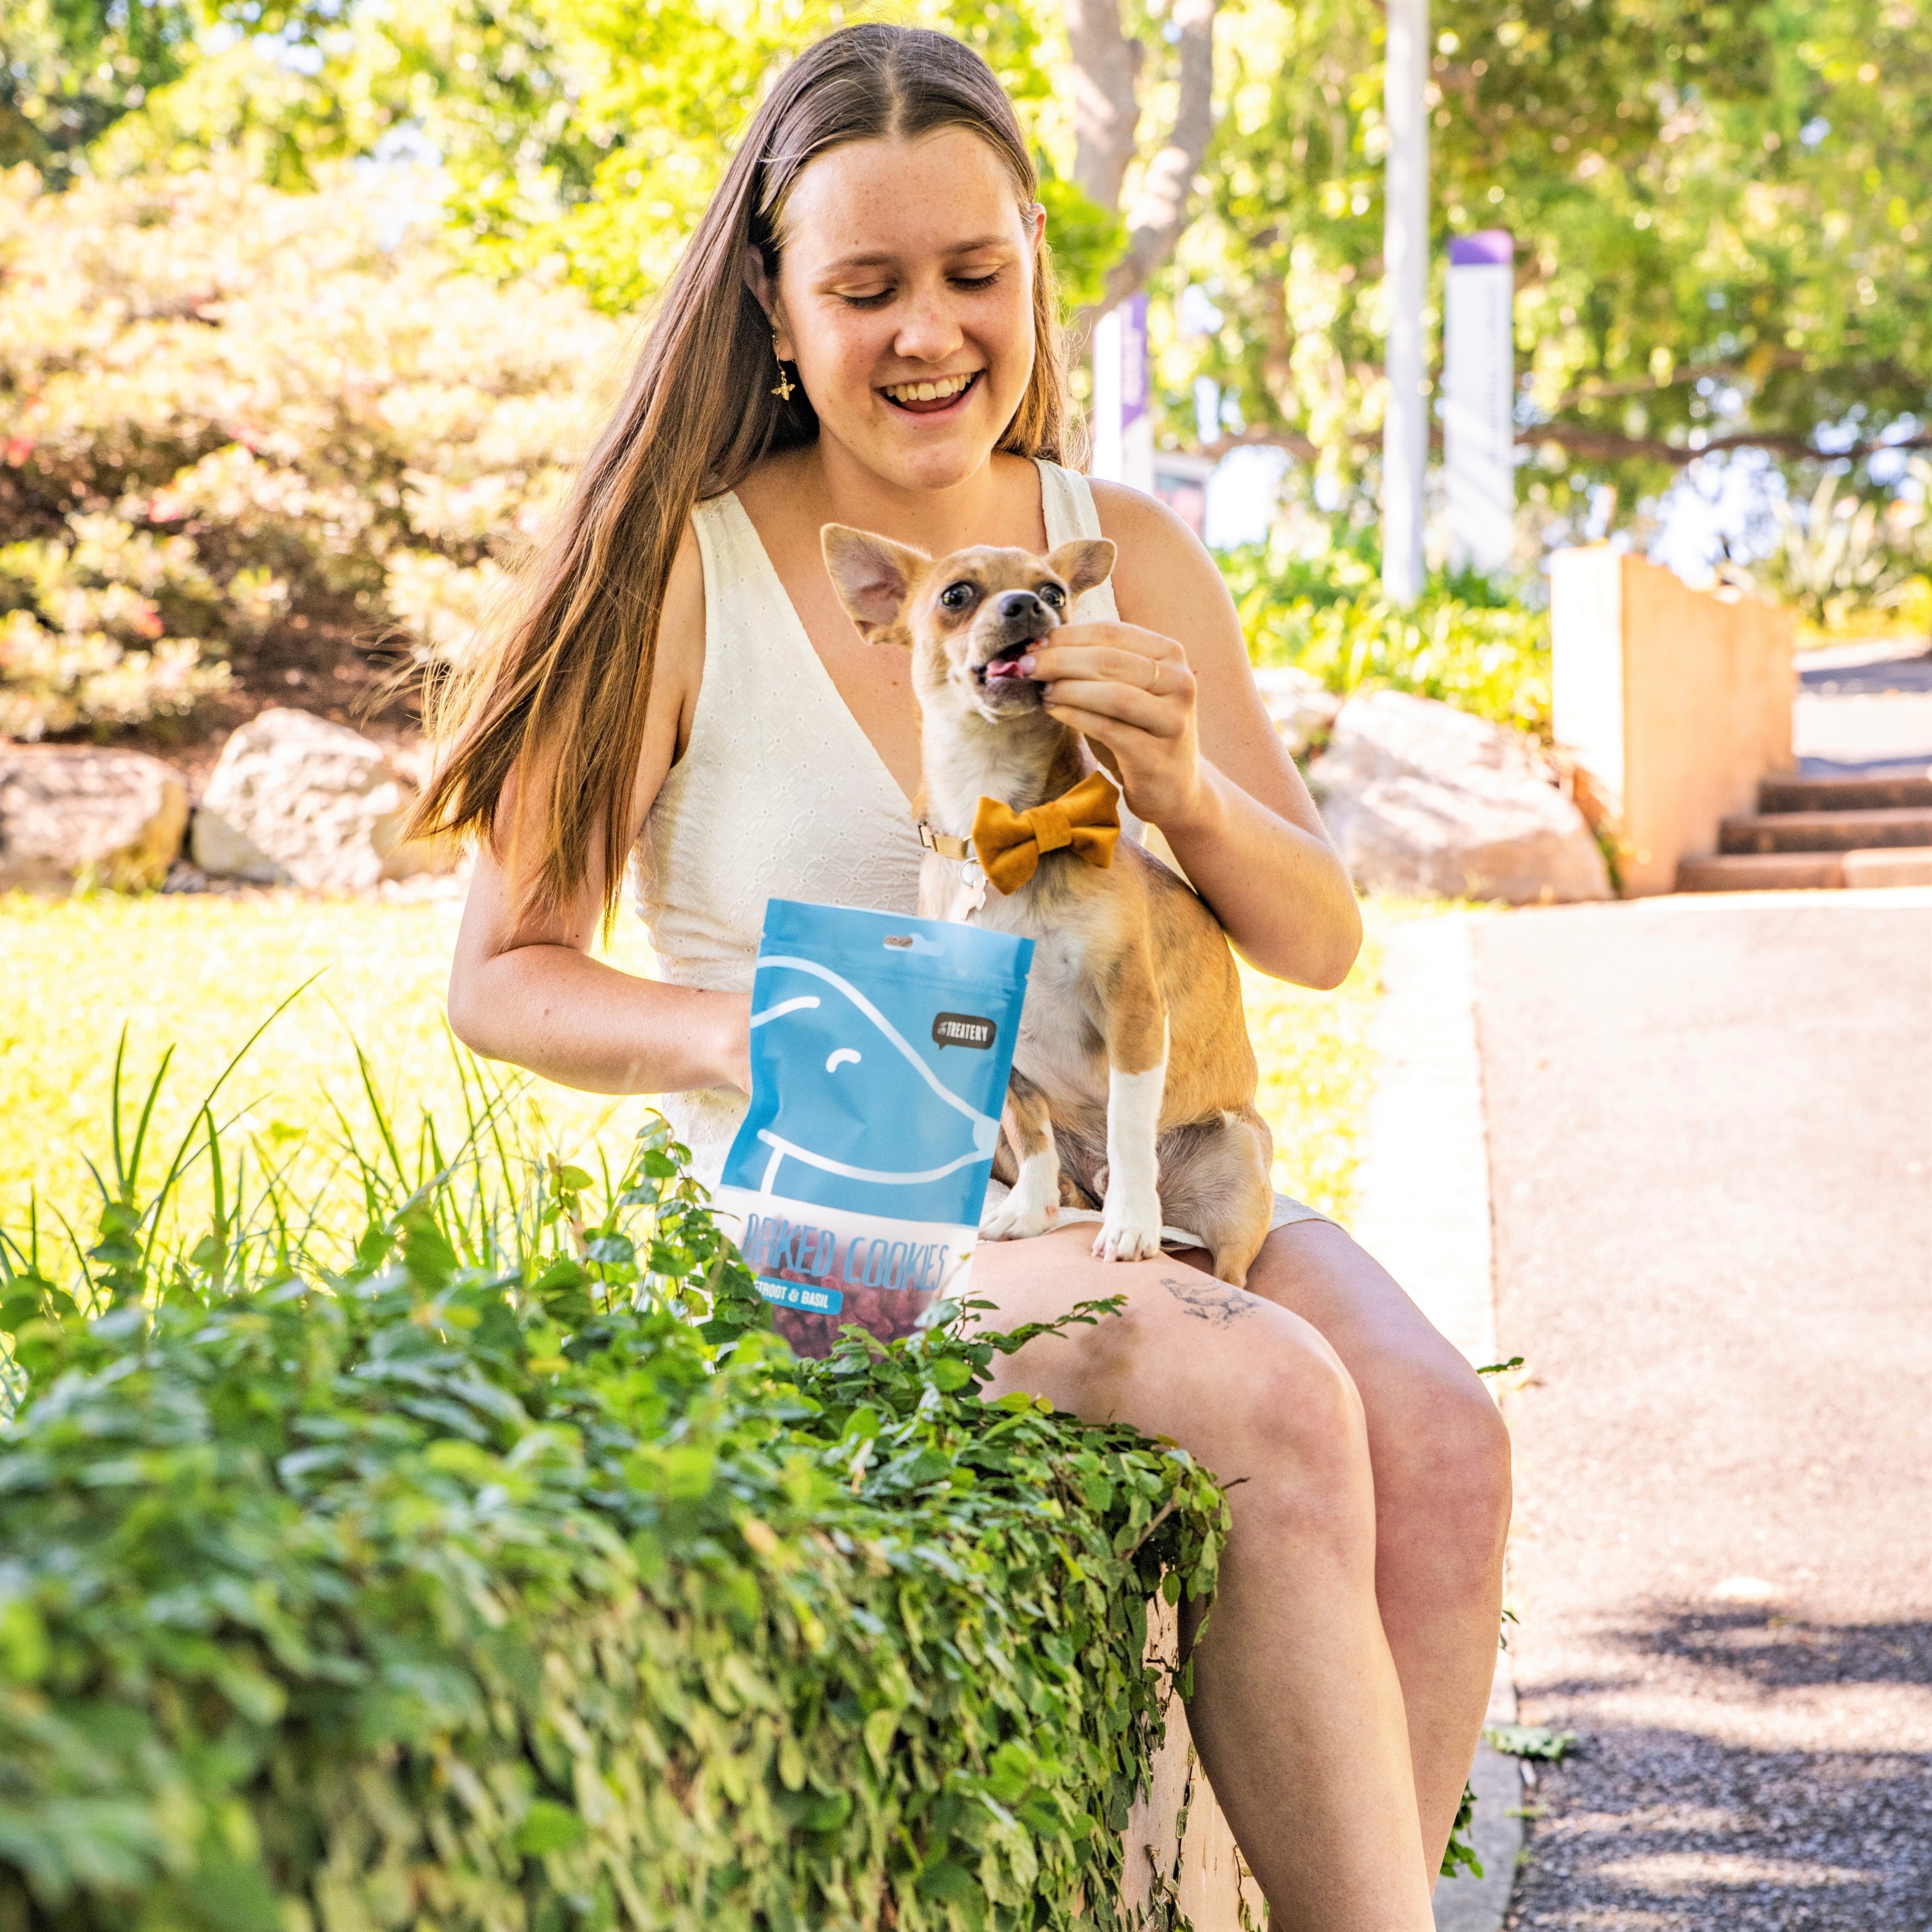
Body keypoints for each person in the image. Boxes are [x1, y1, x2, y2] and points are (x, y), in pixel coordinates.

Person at [419, 25, 1509, 1930]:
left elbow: (1325, 942)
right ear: (771, 304)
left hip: (1103, 1172)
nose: (929, 333)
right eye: (865, 288)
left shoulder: (1116, 550)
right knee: (1268, 1395)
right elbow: (501, 978)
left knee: (1438, 1423)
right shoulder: (678, 574)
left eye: (972, 275)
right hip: (834, 1211)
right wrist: (780, 1032)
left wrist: (1176, 788)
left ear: (1029, 274)